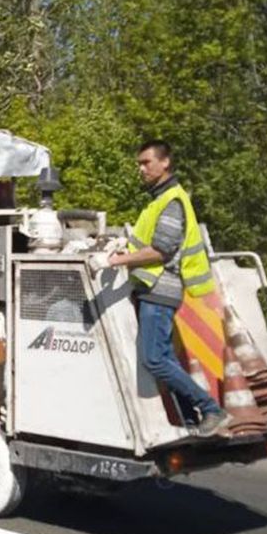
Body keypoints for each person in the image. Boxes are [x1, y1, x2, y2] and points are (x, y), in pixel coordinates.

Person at [107, 140, 231, 435]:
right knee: (162, 356)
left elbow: (160, 250)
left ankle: (212, 410)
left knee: (154, 358)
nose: (141, 169)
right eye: (139, 163)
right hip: (154, 289)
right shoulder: (158, 200)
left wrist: (116, 260)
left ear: (165, 163)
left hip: (161, 290)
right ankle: (189, 417)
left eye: (146, 162)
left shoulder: (172, 201)